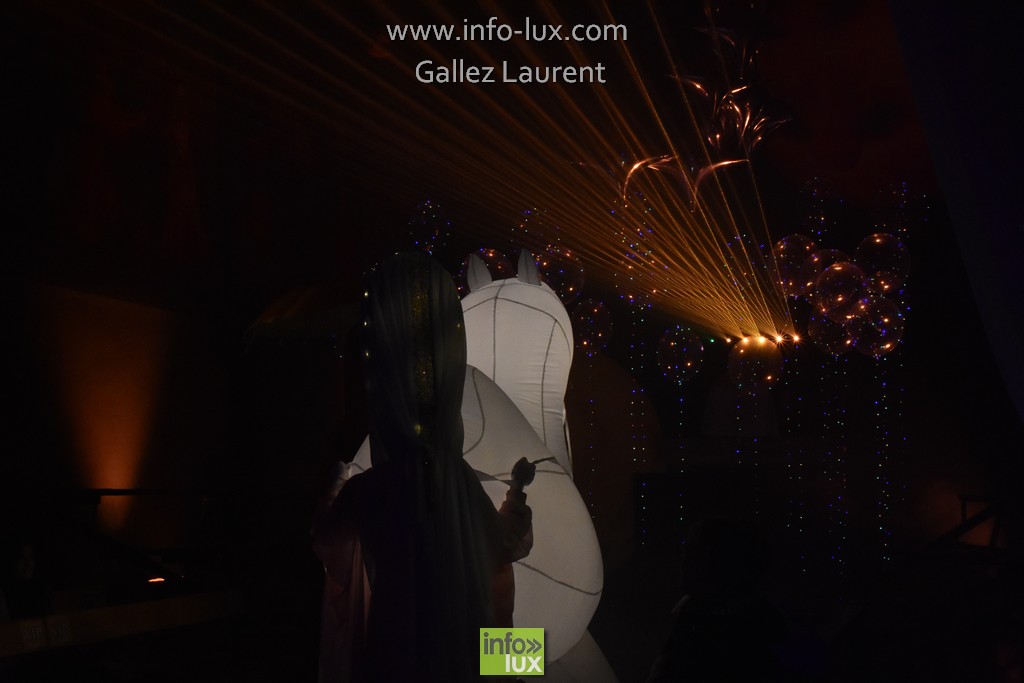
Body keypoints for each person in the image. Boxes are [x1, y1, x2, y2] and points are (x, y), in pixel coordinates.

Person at [313, 253, 533, 682]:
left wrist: (337, 480)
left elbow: (327, 539)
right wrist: (517, 491)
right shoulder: (457, 478)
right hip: (463, 651)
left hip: (393, 649)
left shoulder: (369, 489)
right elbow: (505, 545)